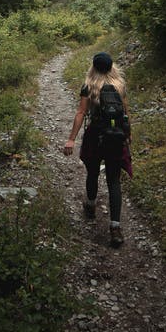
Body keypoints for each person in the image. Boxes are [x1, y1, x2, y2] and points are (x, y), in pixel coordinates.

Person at [63, 51, 132, 247]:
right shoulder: (120, 86)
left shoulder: (89, 86)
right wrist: (128, 135)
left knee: (92, 173)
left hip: (96, 136)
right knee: (114, 181)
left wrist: (71, 139)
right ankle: (115, 228)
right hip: (117, 137)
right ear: (112, 67)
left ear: (93, 68)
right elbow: (125, 112)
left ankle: (91, 205)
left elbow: (81, 113)